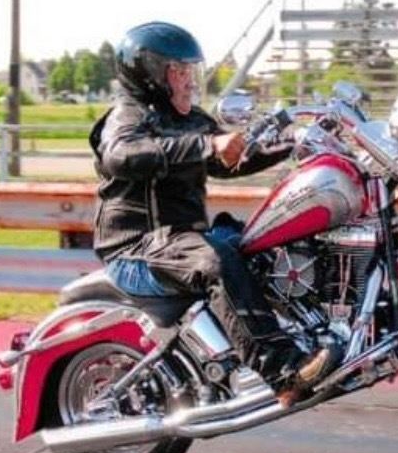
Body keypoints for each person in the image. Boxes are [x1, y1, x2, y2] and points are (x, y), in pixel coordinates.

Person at [89, 21, 337, 401]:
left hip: (179, 242)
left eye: (191, 71)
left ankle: (325, 330)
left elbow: (231, 160)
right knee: (217, 261)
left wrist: (295, 141)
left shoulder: (191, 120)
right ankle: (283, 371)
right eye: (179, 72)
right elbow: (121, 155)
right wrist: (207, 145)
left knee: (266, 241)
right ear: (151, 76)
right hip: (137, 250)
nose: (190, 81)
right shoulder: (127, 116)